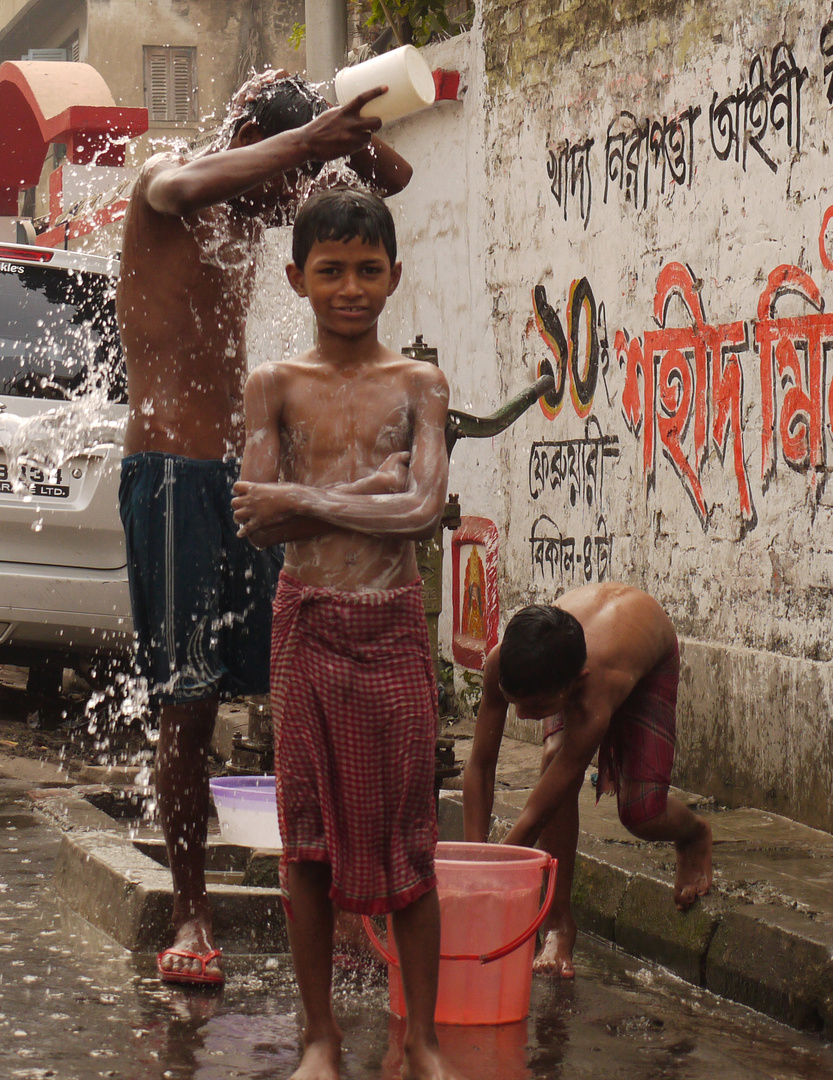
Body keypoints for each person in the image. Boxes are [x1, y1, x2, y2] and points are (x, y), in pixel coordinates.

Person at [116, 70, 412, 987]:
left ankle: (333, 893)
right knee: (189, 698)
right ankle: (191, 912)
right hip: (170, 474)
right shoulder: (170, 181)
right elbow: (189, 184)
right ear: (250, 138)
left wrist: (346, 135)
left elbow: (390, 183)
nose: (289, 206)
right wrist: (299, 146)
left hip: (246, 481)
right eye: (286, 184)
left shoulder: (252, 205)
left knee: (290, 676)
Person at [231, 189, 467, 1080]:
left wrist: (308, 499)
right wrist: (362, 496)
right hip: (308, 626)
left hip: (392, 628)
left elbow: (421, 512)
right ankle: (320, 1036)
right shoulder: (274, 386)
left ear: (394, 276)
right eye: (330, 270)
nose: (350, 287)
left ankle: (426, 1036)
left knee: (411, 833)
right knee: (307, 839)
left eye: (368, 270)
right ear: (297, 277)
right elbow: (259, 521)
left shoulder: (418, 385)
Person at [462, 582, 713, 980]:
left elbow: (536, 813)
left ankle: (693, 834)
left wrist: (488, 879)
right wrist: (471, 859)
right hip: (578, 651)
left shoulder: (597, 690)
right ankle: (559, 925)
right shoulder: (504, 662)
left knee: (641, 811)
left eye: (538, 707)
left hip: (648, 655)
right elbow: (479, 765)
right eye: (515, 703)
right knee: (550, 753)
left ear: (575, 683)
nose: (524, 717)